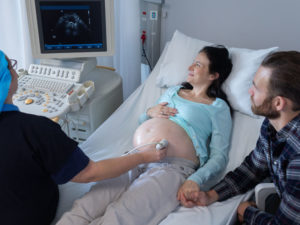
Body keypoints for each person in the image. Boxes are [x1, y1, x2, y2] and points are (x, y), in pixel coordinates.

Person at [58, 45, 233, 225]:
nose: (190, 68)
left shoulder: (217, 107)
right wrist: (149, 112)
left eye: (197, 64)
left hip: (172, 168)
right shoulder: (173, 91)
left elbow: (219, 157)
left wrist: (195, 180)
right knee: (87, 204)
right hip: (136, 156)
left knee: (120, 216)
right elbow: (144, 123)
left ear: (214, 75)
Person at [0, 49, 167, 225]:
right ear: (7, 79)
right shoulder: (36, 130)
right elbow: (90, 173)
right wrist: (143, 156)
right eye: (12, 66)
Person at [187, 51, 300, 225]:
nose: (250, 91)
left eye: (256, 87)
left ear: (278, 103)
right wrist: (211, 195)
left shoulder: (297, 153)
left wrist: (246, 211)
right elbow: (253, 168)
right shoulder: (272, 125)